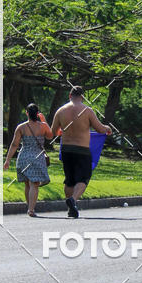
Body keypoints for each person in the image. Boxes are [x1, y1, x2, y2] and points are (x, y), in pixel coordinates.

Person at [51, 86, 112, 218]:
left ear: (69, 95)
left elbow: (52, 133)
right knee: (84, 178)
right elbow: (101, 129)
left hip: (66, 150)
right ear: (82, 97)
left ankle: (71, 208)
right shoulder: (87, 111)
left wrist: (62, 131)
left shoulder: (60, 111)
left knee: (69, 180)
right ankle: (73, 200)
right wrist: (107, 127)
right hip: (82, 150)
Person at [4, 103, 53, 217]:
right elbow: (50, 136)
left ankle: (30, 207)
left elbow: (14, 145)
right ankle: (31, 209)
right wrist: (44, 120)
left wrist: (7, 160)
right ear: (37, 114)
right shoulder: (43, 126)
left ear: (27, 113)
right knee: (34, 184)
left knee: (27, 184)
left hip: (24, 157)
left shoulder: (21, 127)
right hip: (37, 157)